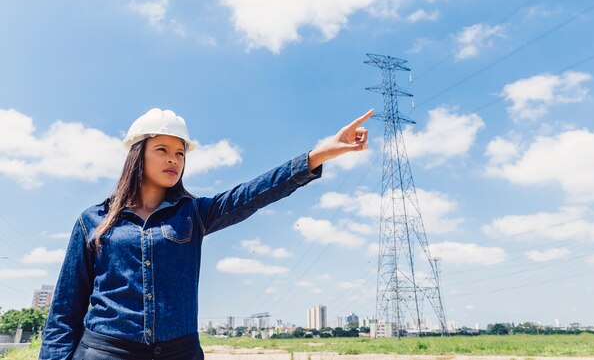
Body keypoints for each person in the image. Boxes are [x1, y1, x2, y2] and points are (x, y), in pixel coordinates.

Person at [39, 107, 373, 360]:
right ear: (137, 154)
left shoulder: (194, 214)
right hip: (106, 351)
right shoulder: (93, 220)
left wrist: (321, 153)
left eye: (180, 153)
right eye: (163, 150)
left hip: (179, 352)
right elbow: (65, 311)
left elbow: (251, 194)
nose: (174, 160)